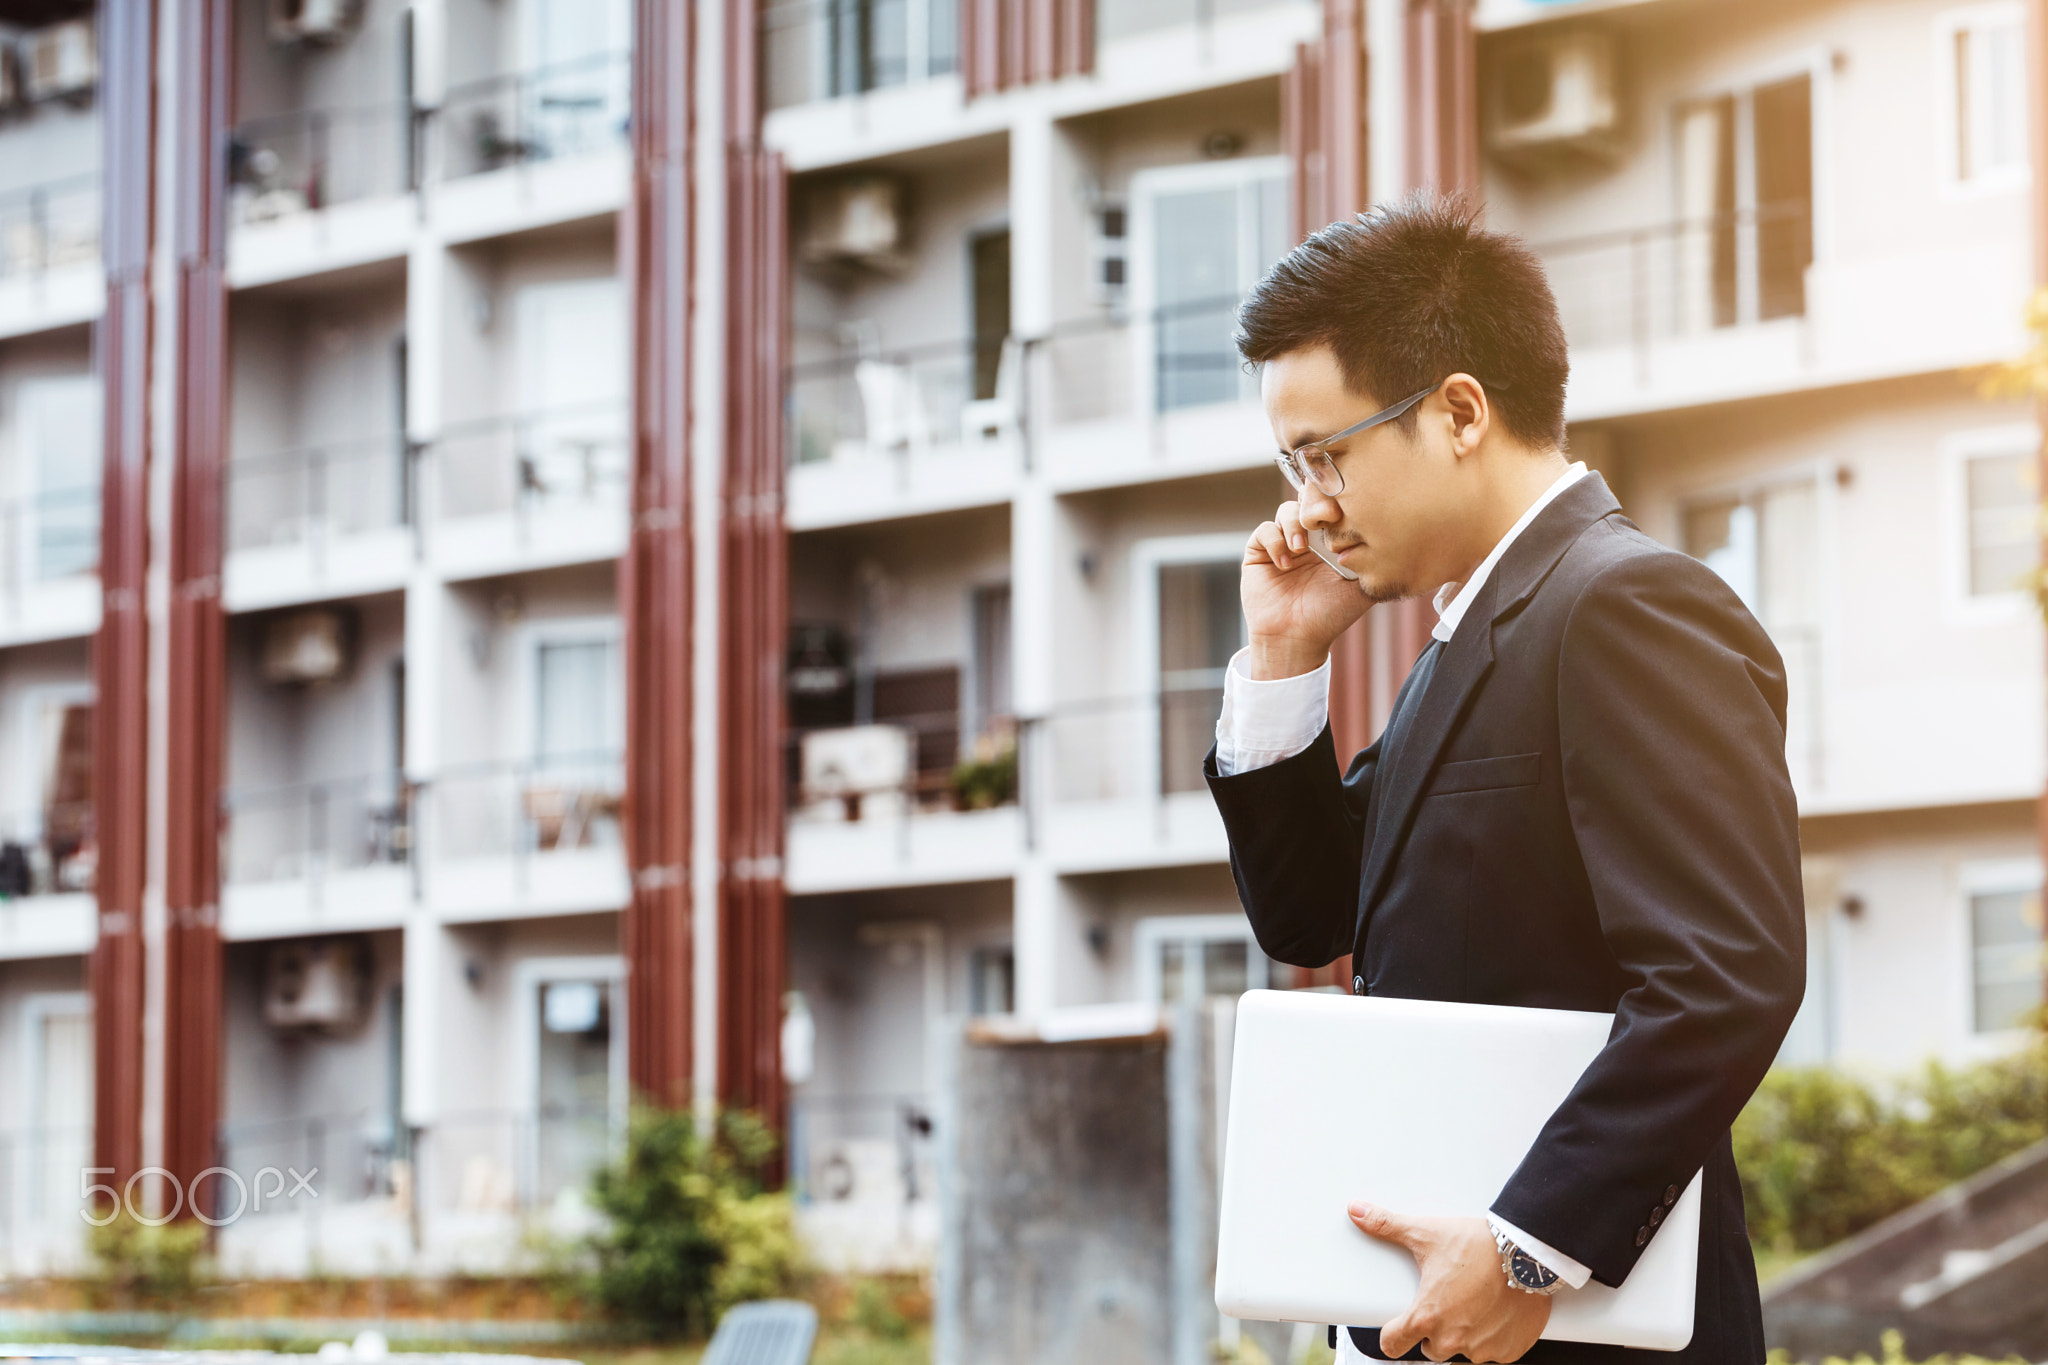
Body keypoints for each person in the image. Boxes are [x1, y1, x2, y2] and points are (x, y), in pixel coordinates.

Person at [1204, 193, 1806, 1364]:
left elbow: (1724, 975)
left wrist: (1528, 1245)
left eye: (1325, 453)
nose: (1307, 504)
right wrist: (1279, 660)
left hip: (1571, 1331)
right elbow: (1311, 918)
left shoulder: (1623, 605)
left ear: (1460, 412)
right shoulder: (1469, 641)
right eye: (1291, 464)